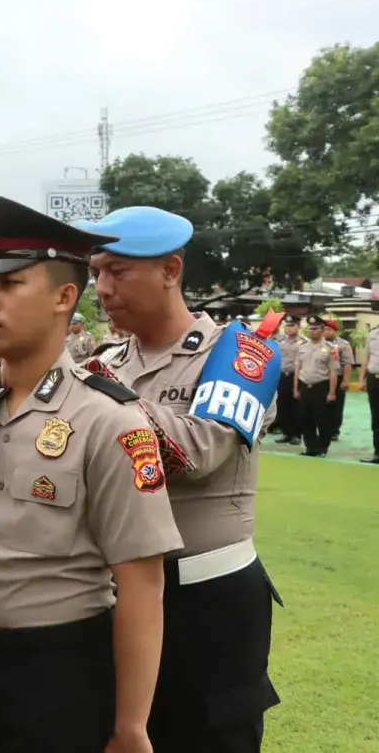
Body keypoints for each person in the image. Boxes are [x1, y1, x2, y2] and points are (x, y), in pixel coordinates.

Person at [0, 195, 182, 753]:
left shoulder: (109, 419)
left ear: (64, 297)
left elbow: (142, 581)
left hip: (59, 677)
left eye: (10, 285)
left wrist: (130, 726)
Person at [78, 206, 284, 753]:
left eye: (118, 272)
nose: (101, 287)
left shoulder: (241, 355)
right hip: (114, 590)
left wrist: (105, 397)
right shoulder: (105, 360)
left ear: (171, 270)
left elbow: (195, 453)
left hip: (207, 600)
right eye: (96, 272)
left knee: (209, 736)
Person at [293, 315, 339, 457]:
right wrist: (295, 388)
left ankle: (322, 448)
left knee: (323, 419)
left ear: (322, 330)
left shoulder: (331, 348)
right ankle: (310, 447)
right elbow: (297, 368)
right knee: (306, 418)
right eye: (310, 329)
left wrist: (332, 392)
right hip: (305, 385)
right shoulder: (301, 347)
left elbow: (333, 371)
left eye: (316, 329)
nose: (313, 331)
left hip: (321, 386)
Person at [273, 315, 307, 444]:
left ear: (298, 327)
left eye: (292, 325)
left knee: (296, 406)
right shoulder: (281, 341)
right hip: (282, 375)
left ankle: (297, 434)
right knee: (283, 405)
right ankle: (286, 432)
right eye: (287, 326)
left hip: (296, 376)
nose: (289, 328)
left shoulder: (304, 342)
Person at [324, 318, 354, 441]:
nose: (326, 332)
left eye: (329, 329)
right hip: (321, 378)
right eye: (324, 329)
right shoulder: (318, 343)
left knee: (336, 406)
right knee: (320, 406)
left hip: (338, 378)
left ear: (335, 331)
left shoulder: (343, 345)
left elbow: (347, 364)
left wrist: (346, 381)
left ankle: (334, 431)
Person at [359, 323, 379, 464]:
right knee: (376, 417)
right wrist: (361, 379)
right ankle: (377, 453)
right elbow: (367, 358)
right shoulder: (373, 333)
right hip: (374, 378)